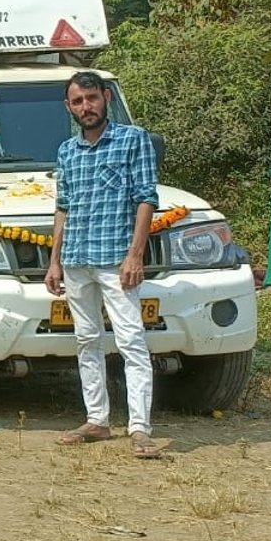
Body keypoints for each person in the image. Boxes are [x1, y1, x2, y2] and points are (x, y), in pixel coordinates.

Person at [46, 70, 162, 459]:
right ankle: (96, 420)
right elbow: (63, 207)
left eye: (91, 98)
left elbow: (146, 198)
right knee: (86, 340)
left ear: (105, 98)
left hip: (116, 259)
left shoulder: (132, 140)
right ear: (69, 107)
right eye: (78, 101)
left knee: (131, 339)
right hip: (77, 258)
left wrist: (136, 254)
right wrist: (54, 261)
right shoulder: (67, 151)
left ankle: (140, 429)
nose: (86, 107)